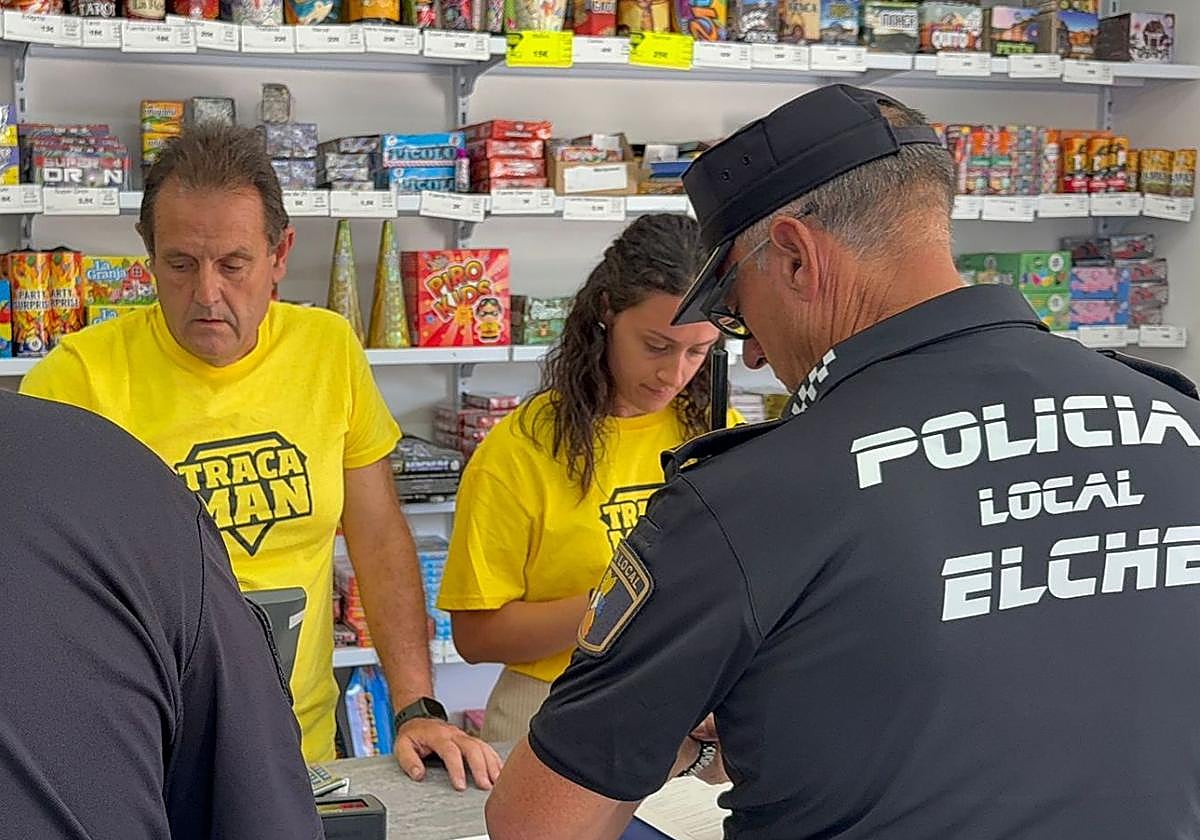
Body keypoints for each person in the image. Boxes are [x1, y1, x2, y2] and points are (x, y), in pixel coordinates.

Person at [486, 84, 1200, 839]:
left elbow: (538, 825)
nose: (751, 354)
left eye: (736, 311)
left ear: (796, 257)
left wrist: (698, 741)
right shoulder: (1178, 420)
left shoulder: (748, 498)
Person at [20, 123, 500, 790]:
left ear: (280, 255)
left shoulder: (328, 349)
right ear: (148, 255)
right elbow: (37, 587)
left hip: (300, 744)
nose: (207, 293)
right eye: (180, 264)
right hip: (142, 754)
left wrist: (416, 706)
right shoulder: (76, 379)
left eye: (233, 264)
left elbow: (378, 537)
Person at [437, 214, 736, 741]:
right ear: (606, 312)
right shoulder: (521, 450)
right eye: (656, 346)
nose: (675, 374)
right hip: (551, 704)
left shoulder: (716, 430)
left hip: (685, 701)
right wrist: (622, 601)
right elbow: (477, 636)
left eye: (698, 351)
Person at [1, 389, 322, 839]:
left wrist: (411, 705)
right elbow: (262, 816)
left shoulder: (331, 359)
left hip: (290, 715)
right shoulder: (100, 442)